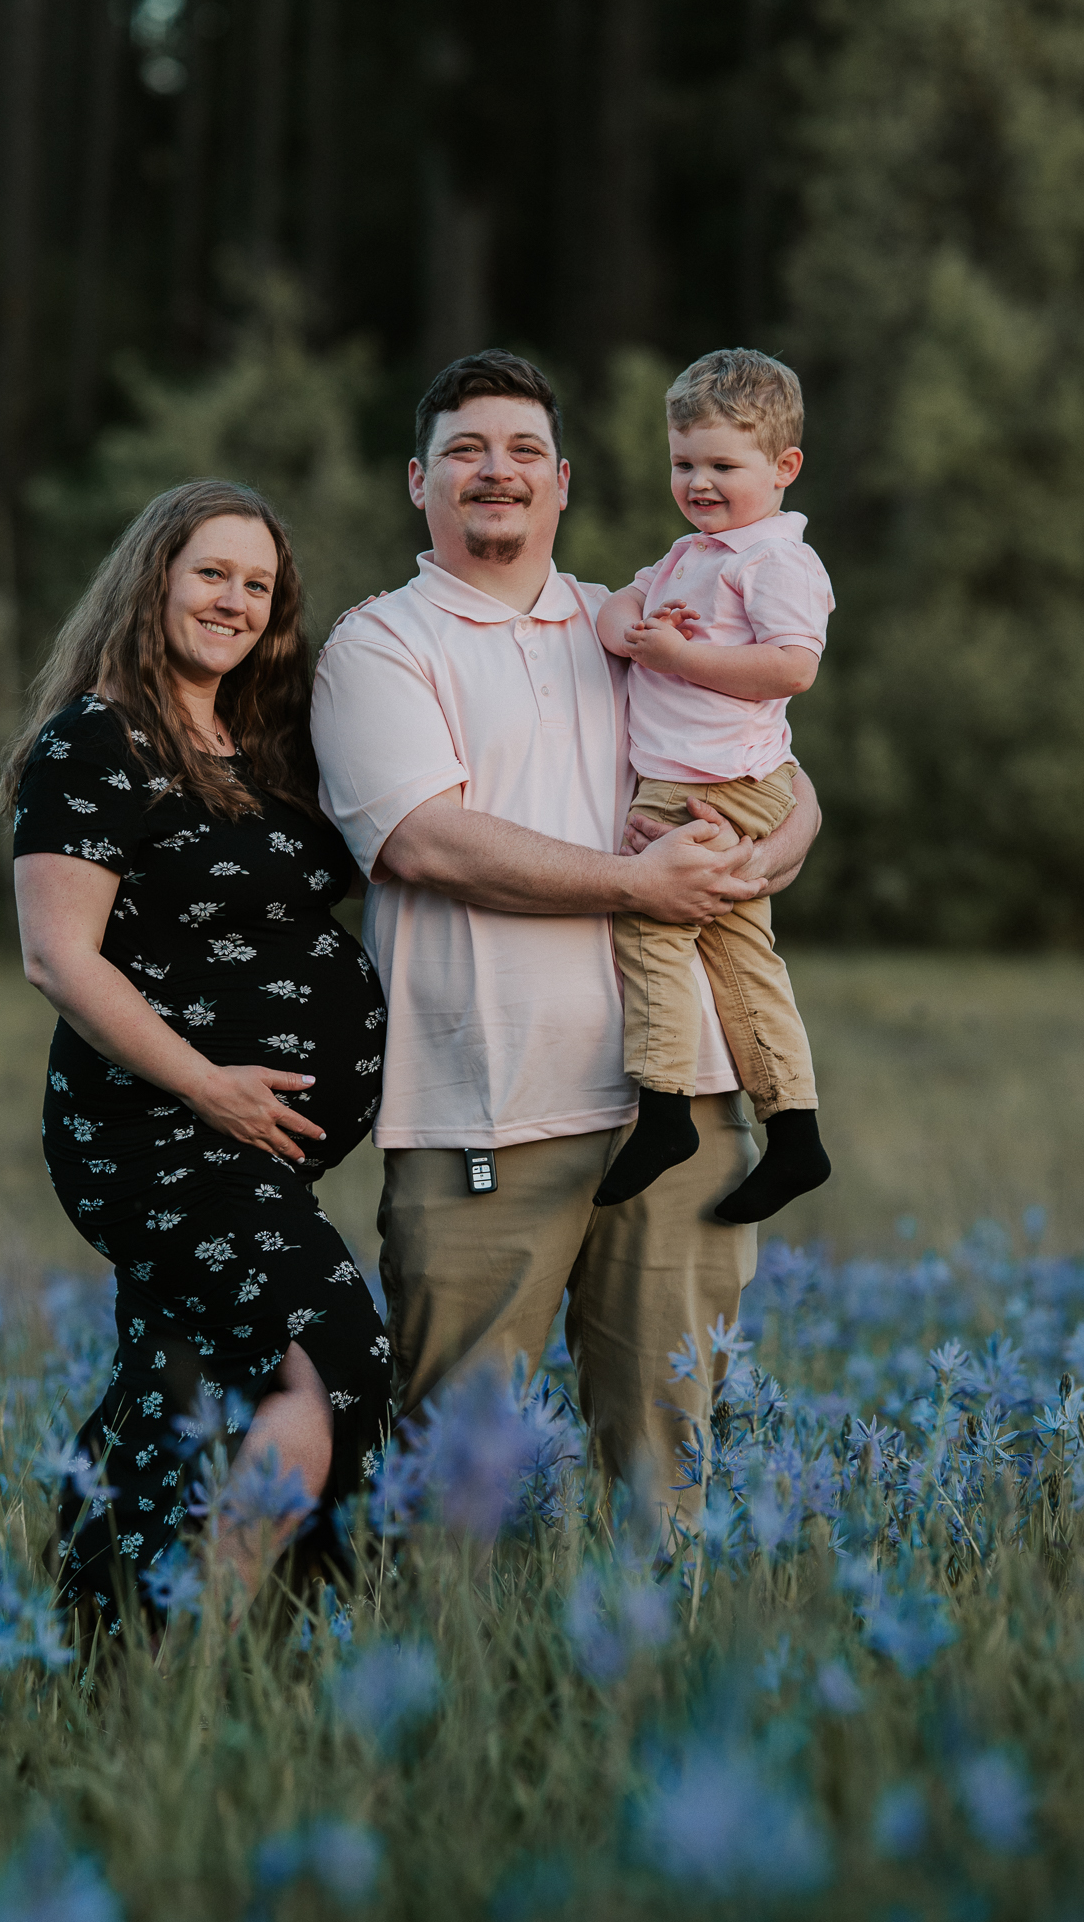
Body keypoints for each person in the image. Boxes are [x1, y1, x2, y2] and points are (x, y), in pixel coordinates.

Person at [310, 351, 820, 1522]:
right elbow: (428, 841)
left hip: (684, 1103)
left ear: (564, 481)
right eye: (465, 450)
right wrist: (640, 883)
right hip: (486, 1105)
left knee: (669, 1473)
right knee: (455, 1483)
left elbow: (780, 774)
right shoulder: (378, 644)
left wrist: (764, 852)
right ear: (418, 480)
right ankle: (449, 1653)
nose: (498, 470)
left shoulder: (631, 620)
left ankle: (658, 1643)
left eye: (524, 450)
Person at [0, 480, 390, 1634]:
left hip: (252, 1144)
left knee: (176, 1378)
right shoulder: (98, 738)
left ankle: (98, 1641)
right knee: (335, 1357)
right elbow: (58, 957)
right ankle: (205, 1652)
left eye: (257, 585)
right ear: (153, 577)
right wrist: (208, 1083)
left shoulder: (261, 743)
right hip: (159, 1130)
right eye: (211, 572)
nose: (233, 599)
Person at [592, 348, 834, 1225]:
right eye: (683, 464)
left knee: (650, 920)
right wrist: (636, 630)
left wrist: (677, 657)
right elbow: (615, 608)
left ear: (782, 467)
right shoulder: (690, 553)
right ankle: (794, 1131)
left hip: (719, 781)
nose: (698, 483)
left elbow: (792, 667)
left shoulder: (772, 559)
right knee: (741, 959)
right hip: (703, 777)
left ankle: (663, 1111)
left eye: (722, 466)